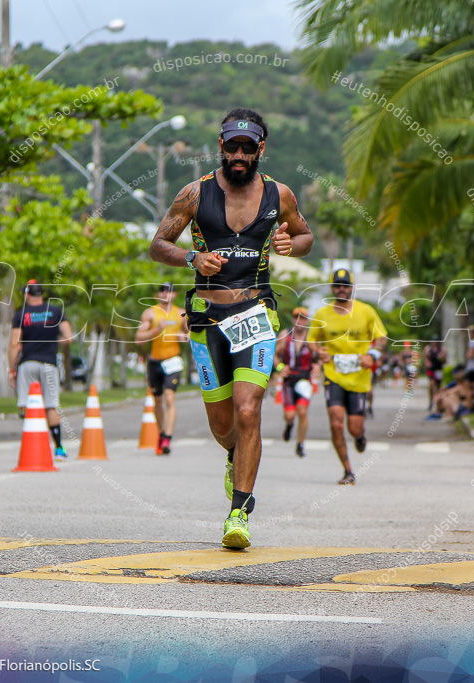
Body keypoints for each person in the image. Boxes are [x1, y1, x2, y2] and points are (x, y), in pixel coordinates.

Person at [148, 107, 313, 549]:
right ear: (220, 147)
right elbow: (158, 243)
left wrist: (289, 245)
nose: (239, 154)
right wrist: (191, 258)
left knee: (248, 410)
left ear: (261, 148)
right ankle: (233, 455)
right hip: (206, 318)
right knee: (223, 424)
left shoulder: (281, 196)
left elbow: (305, 236)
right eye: (231, 146)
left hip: (256, 315)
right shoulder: (195, 194)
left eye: (248, 147)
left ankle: (239, 511)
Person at [307, 268, 388, 485]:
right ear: (332, 288)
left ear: (352, 288)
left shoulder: (366, 311)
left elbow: (381, 337)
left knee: (354, 427)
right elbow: (311, 339)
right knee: (335, 423)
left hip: (359, 377)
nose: (341, 289)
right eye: (337, 285)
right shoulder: (322, 314)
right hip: (333, 374)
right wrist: (318, 351)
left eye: (345, 286)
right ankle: (348, 470)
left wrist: (372, 354)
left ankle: (360, 436)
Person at [8, 280, 73, 460]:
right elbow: (68, 337)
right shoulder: (55, 311)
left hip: (28, 363)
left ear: (27, 295)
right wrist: (52, 342)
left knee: (27, 405)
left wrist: (11, 369)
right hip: (49, 364)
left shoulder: (21, 314)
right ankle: (59, 447)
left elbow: (15, 344)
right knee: (51, 405)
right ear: (42, 295)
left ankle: (33, 445)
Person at [135, 282, 188, 455]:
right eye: (162, 291)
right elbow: (138, 339)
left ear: (174, 294)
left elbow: (191, 334)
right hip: (155, 361)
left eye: (169, 291)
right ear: (158, 294)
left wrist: (184, 336)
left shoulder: (180, 313)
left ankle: (167, 437)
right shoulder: (150, 313)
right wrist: (156, 330)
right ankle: (160, 434)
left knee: (170, 398)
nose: (165, 294)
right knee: (157, 400)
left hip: (173, 359)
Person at [275, 306, 316, 458]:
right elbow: (274, 355)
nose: (300, 321)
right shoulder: (285, 335)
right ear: (293, 319)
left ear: (307, 320)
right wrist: (280, 367)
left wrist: (318, 367)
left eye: (303, 318)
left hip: (305, 379)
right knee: (290, 415)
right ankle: (289, 425)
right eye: (297, 317)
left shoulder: (311, 338)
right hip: (289, 380)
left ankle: (300, 443)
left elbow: (318, 356)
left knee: (303, 411)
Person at [424, 341, 446, 410]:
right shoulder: (428, 349)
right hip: (431, 369)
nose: (435, 343)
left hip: (438, 369)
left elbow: (445, 360)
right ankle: (431, 401)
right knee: (431, 384)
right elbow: (424, 357)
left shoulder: (442, 349)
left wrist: (442, 357)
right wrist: (427, 363)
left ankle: (438, 404)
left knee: (438, 387)